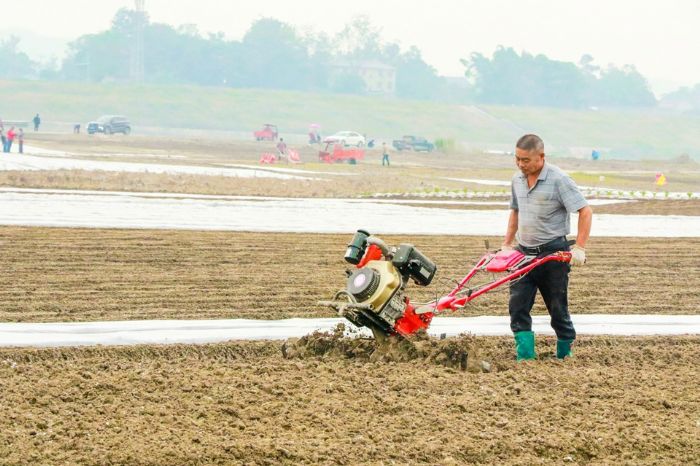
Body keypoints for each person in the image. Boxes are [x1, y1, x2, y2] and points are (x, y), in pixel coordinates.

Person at [502, 134, 592, 361]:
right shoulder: (517, 180)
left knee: (557, 308)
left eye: (526, 160)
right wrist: (506, 245)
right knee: (518, 305)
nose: (521, 164)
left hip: (552, 255)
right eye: (517, 159)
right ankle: (525, 357)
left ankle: (564, 354)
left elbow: (585, 211)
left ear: (541, 157)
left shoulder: (559, 180)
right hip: (523, 254)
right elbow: (515, 212)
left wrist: (579, 247)